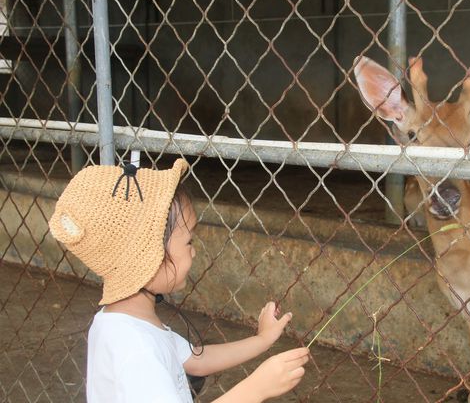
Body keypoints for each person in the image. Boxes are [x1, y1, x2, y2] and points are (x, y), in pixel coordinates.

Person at [49, 158, 309, 402]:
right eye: (188, 242)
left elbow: (197, 359)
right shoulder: (135, 349)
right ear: (148, 255)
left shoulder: (126, 323)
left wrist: (262, 340)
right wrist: (257, 389)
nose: (194, 251)